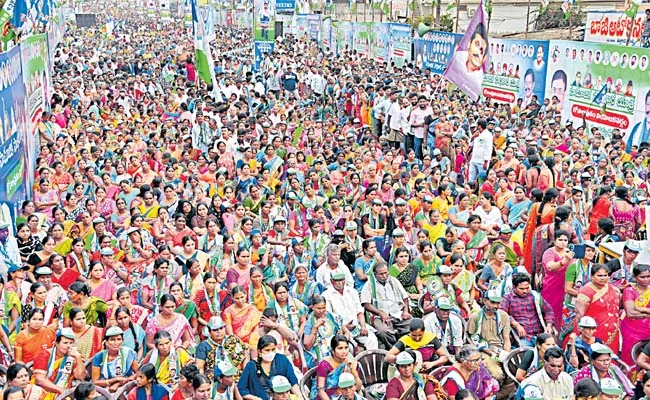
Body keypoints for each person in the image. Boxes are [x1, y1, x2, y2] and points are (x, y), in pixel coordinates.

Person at [361, 262, 412, 349]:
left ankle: (406, 346)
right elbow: (366, 304)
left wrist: (406, 311)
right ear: (375, 274)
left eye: (386, 273)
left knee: (413, 324)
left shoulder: (394, 281)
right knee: (382, 331)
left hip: (397, 312)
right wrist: (380, 313)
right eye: (381, 274)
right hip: (379, 316)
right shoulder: (369, 284)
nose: (384, 276)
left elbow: (405, 297)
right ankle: (394, 348)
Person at [237, 335, 302, 400]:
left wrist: (300, 397)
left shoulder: (282, 360)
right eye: (267, 350)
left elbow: (293, 383)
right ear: (259, 351)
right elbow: (241, 389)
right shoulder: (251, 366)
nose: (271, 352)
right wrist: (256, 399)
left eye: (273, 349)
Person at [574, 264, 621, 352]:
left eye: (605, 275)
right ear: (592, 276)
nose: (603, 278)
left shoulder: (614, 290)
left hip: (612, 333)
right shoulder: (586, 292)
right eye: (599, 275)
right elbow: (580, 316)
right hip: (592, 332)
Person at [500, 273, 555, 347]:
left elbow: (548, 310)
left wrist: (549, 325)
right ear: (514, 287)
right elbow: (502, 314)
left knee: (555, 353)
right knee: (526, 354)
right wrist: (516, 325)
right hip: (523, 336)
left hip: (540, 334)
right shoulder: (508, 298)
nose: (525, 291)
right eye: (521, 289)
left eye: (527, 288)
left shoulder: (535, 296)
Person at [32, 328, 86, 400]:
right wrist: (60, 390)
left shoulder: (73, 357)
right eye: (65, 343)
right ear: (56, 343)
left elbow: (80, 377)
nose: (68, 346)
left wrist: (78, 357)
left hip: (63, 392)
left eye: (71, 343)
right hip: (43, 389)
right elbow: (39, 379)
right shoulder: (45, 354)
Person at [91, 326, 139, 391]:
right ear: (106, 342)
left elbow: (139, 373)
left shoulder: (128, 353)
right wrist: (114, 380)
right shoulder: (99, 356)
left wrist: (119, 383)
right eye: (112, 340)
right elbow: (95, 382)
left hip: (126, 386)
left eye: (119, 339)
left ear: (122, 341)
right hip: (104, 388)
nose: (116, 343)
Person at [313, 335, 362, 400]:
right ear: (333, 350)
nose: (344, 351)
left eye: (346, 347)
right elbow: (321, 391)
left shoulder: (351, 362)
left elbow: (358, 387)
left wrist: (353, 370)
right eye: (340, 348)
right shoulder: (324, 365)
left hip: (348, 396)